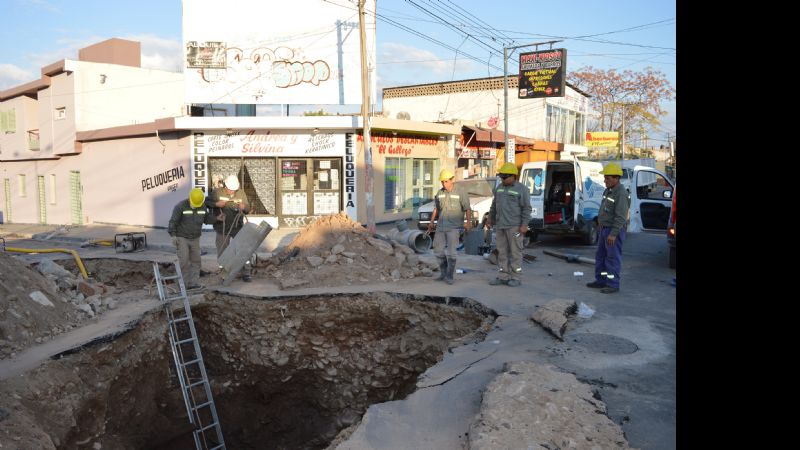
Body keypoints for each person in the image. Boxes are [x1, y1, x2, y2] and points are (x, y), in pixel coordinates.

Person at [586, 162, 630, 294]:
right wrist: (600, 222)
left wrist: (613, 233)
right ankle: (601, 280)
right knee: (601, 256)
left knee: (612, 258)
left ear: (616, 179)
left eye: (608, 178)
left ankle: (612, 284)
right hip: (604, 229)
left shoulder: (620, 193)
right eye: (605, 178)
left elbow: (621, 216)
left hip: (613, 231)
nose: (605, 181)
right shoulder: (608, 190)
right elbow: (604, 209)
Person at [486, 162, 531, 287]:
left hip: (515, 226)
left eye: (505, 177)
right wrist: (490, 219)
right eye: (501, 177)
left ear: (513, 176)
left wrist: (524, 225)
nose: (502, 179)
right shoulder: (499, 188)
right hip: (501, 226)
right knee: (502, 252)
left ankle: (516, 277)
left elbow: (527, 209)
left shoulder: (521, 189)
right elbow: (494, 206)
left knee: (515, 253)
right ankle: (503, 276)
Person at [427, 168, 472, 284]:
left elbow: (467, 208)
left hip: (454, 227)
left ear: (452, 180)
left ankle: (450, 276)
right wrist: (432, 222)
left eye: (446, 181)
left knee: (452, 252)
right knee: (437, 250)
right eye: (442, 181)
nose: (444, 184)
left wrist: (468, 222)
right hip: (441, 226)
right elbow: (436, 208)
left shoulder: (460, 192)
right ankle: (443, 273)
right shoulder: (440, 193)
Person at [168, 188, 215, 289]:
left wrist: (217, 218)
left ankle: (193, 283)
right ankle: (182, 284)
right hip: (182, 237)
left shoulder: (202, 206)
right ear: (189, 198)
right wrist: (173, 235)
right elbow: (173, 222)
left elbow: (207, 219)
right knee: (184, 261)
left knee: (196, 261)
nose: (195, 206)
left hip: (195, 238)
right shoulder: (180, 207)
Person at [209, 174, 252, 282]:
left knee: (242, 250)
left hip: (237, 227)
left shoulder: (241, 193)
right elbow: (206, 203)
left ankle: (246, 272)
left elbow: (247, 208)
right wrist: (216, 204)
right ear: (225, 186)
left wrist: (244, 207)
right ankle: (224, 273)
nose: (232, 191)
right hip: (222, 228)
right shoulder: (217, 193)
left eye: (234, 189)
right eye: (230, 189)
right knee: (223, 251)